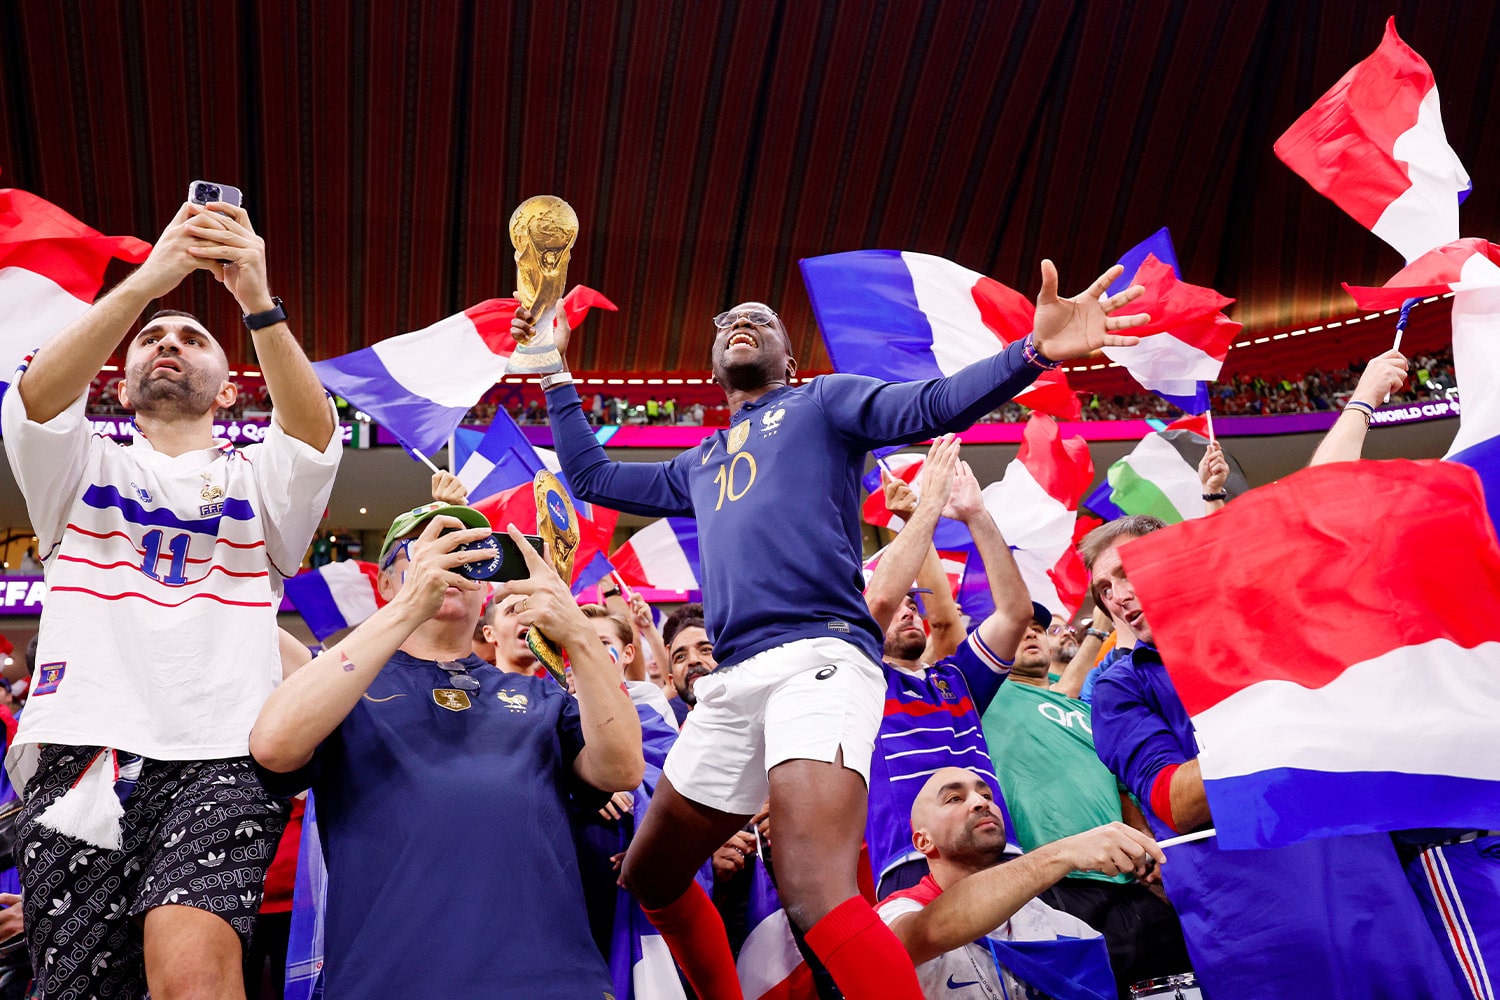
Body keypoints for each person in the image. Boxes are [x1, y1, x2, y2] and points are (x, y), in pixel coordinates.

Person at [523, 259, 1150, 999]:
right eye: (726, 324)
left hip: (818, 657)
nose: (738, 324)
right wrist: (552, 373)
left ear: (789, 359)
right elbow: (593, 479)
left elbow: (934, 405)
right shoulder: (699, 463)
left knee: (814, 891)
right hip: (733, 680)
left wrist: (1032, 352)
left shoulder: (823, 403)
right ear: (717, 365)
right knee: (650, 873)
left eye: (760, 319)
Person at [2, 197, 341, 999]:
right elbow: (39, 398)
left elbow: (315, 434)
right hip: (81, 747)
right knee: (77, 989)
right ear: (120, 387)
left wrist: (256, 297)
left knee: (196, 982)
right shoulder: (78, 470)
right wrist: (151, 282)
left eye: (193, 339)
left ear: (229, 392)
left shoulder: (260, 480)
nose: (169, 343)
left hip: (222, 751)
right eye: (155, 338)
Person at [249, 508, 644, 998]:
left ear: (486, 590)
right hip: (392, 981)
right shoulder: (344, 687)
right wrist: (407, 610)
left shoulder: (542, 699)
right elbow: (272, 746)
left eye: (467, 555)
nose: (450, 564)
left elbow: (623, 767)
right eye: (423, 552)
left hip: (553, 980)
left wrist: (579, 632)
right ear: (387, 585)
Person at [1083, 515, 1463, 999]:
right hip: (1259, 925)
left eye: (1126, 572)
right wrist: (1280, 702)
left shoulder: (1276, 638)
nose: (1117, 596)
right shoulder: (1122, 685)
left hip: (1374, 890)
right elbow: (1176, 800)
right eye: (1104, 589)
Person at [980, 607, 1189, 993]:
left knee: (1179, 985)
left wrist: (1148, 847)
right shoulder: (989, 699)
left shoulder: (1089, 707)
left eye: (1039, 628)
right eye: (1019, 629)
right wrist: (1100, 630)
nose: (1031, 634)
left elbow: (1120, 786)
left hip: (1130, 882)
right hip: (1057, 883)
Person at [861, 438, 1034, 899]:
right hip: (915, 862)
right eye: (896, 603)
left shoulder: (954, 680)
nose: (907, 611)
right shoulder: (855, 680)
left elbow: (1015, 614)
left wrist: (976, 514)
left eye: (911, 603)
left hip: (1002, 854)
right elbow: (878, 600)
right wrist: (925, 510)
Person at [877, 766, 1161, 999]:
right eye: (954, 798)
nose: (981, 802)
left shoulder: (1067, 930)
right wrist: (1063, 853)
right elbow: (920, 938)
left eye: (986, 794)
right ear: (923, 841)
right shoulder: (895, 914)